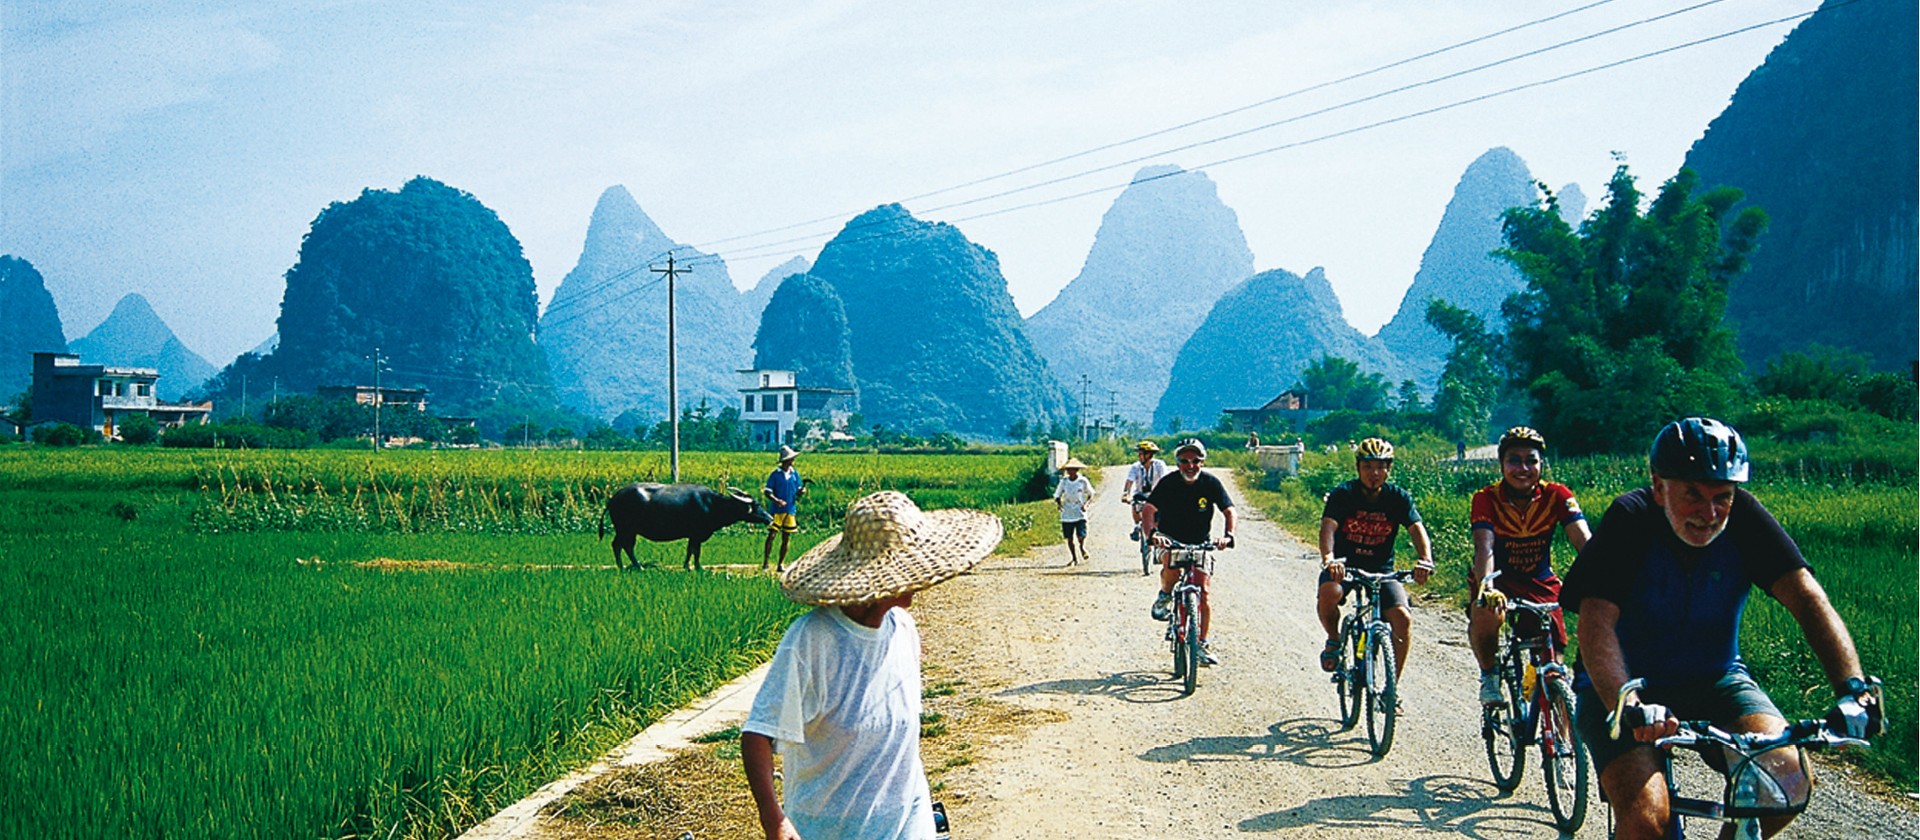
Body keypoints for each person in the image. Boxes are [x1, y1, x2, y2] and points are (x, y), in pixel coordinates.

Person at [1564, 417, 1883, 840]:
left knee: (1786, 782)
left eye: (1723, 497)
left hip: (1717, 680)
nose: (1709, 513)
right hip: (1623, 691)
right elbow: (1596, 622)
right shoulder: (1631, 518)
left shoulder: (1746, 518)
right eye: (1692, 494)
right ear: (1659, 486)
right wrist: (1630, 702)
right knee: (1646, 821)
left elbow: (1808, 599)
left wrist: (1853, 691)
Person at [743, 491, 1002, 840]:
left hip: (908, 820)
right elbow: (759, 734)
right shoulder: (813, 640)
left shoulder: (903, 629)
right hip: (829, 828)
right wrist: (774, 820)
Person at [1467, 426, 1591, 705]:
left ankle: (1564, 744)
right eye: (1514, 460)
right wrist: (1486, 587)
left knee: (1555, 667)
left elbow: (1585, 543)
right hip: (1498, 577)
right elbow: (1484, 548)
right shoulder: (1486, 498)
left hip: (1539, 580)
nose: (1523, 468)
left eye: (1531, 460)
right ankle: (1489, 675)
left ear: (1542, 463)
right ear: (1501, 464)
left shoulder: (1557, 495)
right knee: (1486, 610)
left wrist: (1606, 579)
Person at [1317, 437, 1433, 678]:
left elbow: (1416, 528)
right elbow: (1328, 528)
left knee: (1402, 618)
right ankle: (1334, 638)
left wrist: (1425, 560)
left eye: (1381, 466)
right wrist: (1329, 558)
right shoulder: (1344, 494)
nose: (1374, 473)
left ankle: (1392, 688)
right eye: (1368, 466)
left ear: (1389, 469)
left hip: (1382, 569)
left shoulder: (1397, 497)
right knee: (1330, 593)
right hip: (1344, 566)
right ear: (1358, 467)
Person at [1141, 438, 1236, 666]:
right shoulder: (1168, 482)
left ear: (1202, 462)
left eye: (1195, 460)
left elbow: (1229, 509)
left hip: (1200, 543)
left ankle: (1201, 643)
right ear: (1178, 462)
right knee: (1172, 571)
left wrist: (1228, 536)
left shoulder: (1211, 483)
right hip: (1170, 541)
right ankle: (1165, 595)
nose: (1190, 465)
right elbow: (1148, 509)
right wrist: (1153, 535)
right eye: (1184, 461)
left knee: (1203, 590)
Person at [762, 445, 806, 572]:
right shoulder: (775, 475)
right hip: (777, 510)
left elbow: (798, 489)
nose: (792, 461)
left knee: (786, 537)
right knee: (772, 535)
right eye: (791, 459)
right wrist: (777, 500)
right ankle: (766, 562)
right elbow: (767, 491)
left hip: (790, 509)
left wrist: (802, 491)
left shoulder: (794, 474)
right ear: (785, 461)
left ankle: (780, 564)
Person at [1121, 440, 1168, 543]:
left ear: (1149, 454)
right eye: (1139, 454)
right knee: (1135, 502)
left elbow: (1164, 481)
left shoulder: (1159, 465)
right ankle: (1137, 526)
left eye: (1141, 454)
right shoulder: (1136, 467)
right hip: (1141, 494)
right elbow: (1129, 481)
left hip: (1156, 494)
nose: (1139, 456)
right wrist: (1126, 494)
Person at [1053, 457, 1093, 566]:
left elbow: (1091, 494)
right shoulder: (1064, 481)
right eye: (1069, 470)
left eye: (1074, 469)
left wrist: (1086, 505)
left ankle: (1082, 547)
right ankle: (1074, 558)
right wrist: (1059, 504)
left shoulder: (1082, 481)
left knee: (1081, 535)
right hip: (1067, 512)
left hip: (1079, 511)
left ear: (1077, 470)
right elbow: (1057, 494)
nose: (1071, 472)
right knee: (1069, 538)